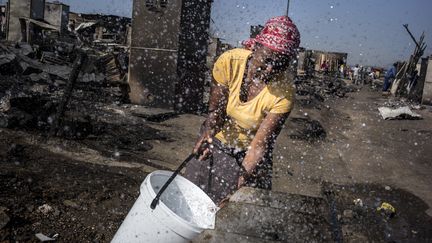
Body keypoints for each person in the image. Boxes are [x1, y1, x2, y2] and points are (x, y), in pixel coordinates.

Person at [184, 16, 300, 204]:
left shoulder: (284, 93)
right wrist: (209, 133)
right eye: (267, 59)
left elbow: (259, 145)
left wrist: (240, 181)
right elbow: (216, 111)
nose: (270, 69)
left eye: (279, 64)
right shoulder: (230, 61)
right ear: (255, 48)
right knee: (193, 195)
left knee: (240, 209)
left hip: (250, 153)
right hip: (220, 140)